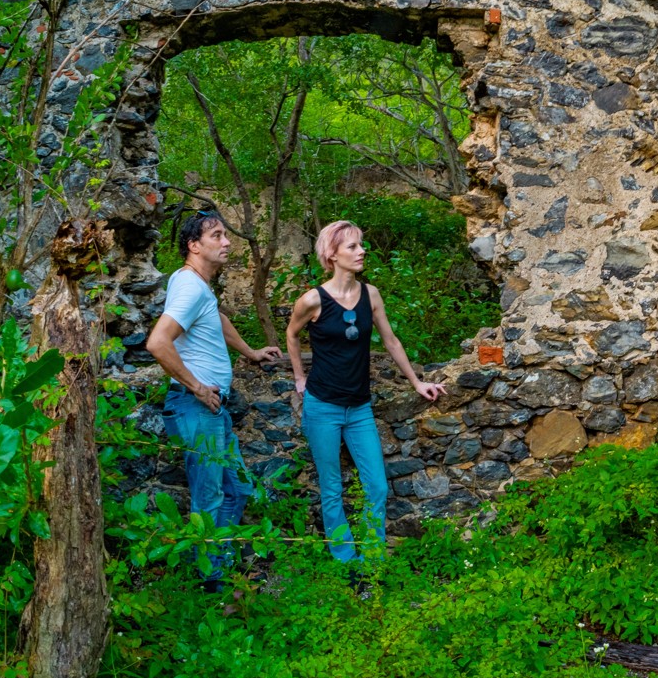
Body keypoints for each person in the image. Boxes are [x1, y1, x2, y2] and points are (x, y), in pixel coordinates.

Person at [286, 220, 445, 564]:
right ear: (332, 254)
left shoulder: (370, 294)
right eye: (353, 247)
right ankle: (346, 563)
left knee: (377, 487)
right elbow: (292, 334)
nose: (362, 252)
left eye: (361, 245)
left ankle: (373, 563)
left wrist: (417, 382)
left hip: (359, 409)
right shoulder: (313, 300)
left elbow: (390, 340)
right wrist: (300, 377)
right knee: (332, 490)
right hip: (322, 406)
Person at [146, 210, 284, 590]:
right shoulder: (190, 287)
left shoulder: (194, 285)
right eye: (217, 236)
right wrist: (196, 386)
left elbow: (215, 318)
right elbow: (158, 343)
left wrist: (249, 351)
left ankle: (217, 569)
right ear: (194, 246)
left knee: (237, 489)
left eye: (225, 235)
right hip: (197, 407)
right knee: (208, 499)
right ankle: (211, 589)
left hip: (212, 409)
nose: (227, 243)